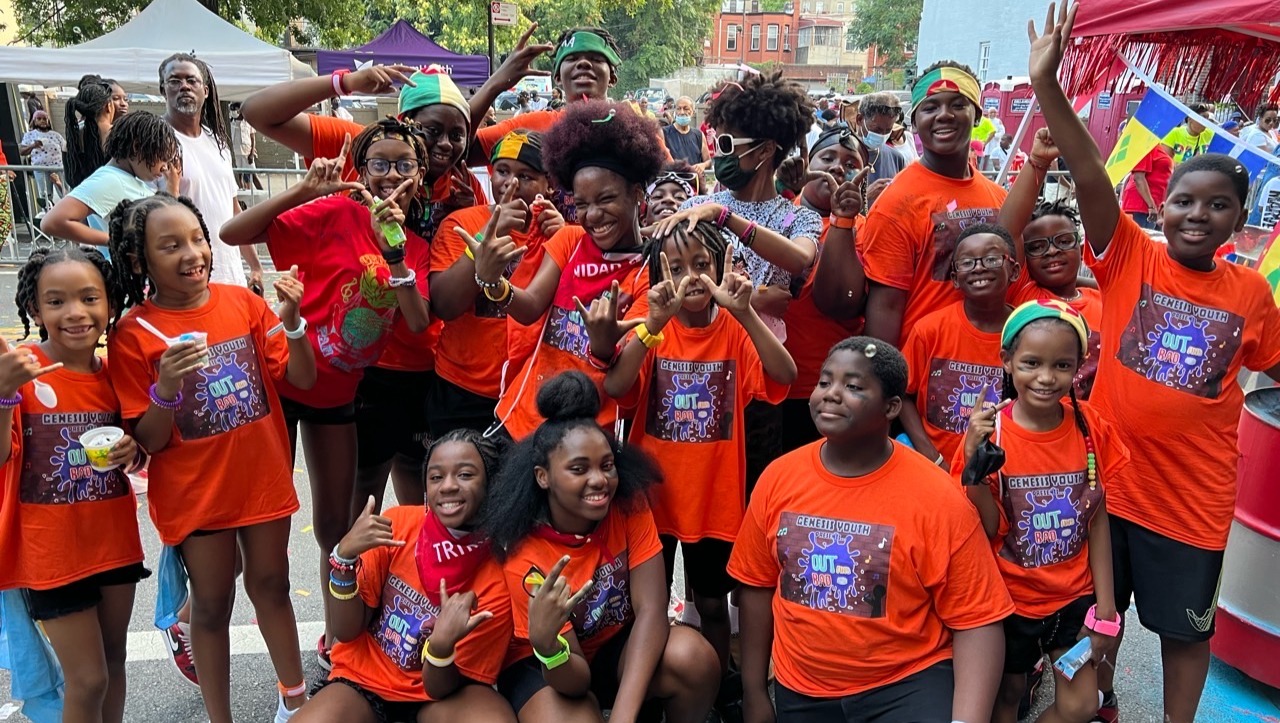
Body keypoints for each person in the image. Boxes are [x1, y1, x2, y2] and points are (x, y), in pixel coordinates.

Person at [1029, 7, 1280, 721]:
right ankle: (1099, 700)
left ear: (1240, 219)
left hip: (1193, 503)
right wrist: (1048, 86)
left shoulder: (1250, 293)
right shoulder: (1130, 257)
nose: (1198, 214)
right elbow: (1088, 172)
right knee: (1098, 618)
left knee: (1185, 633)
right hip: (1109, 489)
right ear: (1160, 207)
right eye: (1183, 201)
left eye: (1218, 205)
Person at [220, 119, 431, 671]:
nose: (390, 175)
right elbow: (233, 232)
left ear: (420, 174)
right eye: (379, 163)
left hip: (337, 395)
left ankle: (336, 638)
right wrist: (302, 190)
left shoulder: (413, 246)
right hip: (279, 382)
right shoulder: (333, 213)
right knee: (263, 531)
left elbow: (416, 321)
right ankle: (203, 611)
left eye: (403, 164)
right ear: (362, 170)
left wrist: (394, 253)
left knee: (336, 527)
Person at [106, 193, 316, 723]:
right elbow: (148, 443)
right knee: (212, 602)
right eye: (170, 246)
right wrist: (166, 387)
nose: (192, 253)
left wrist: (292, 321)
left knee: (271, 585)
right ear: (138, 260)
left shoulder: (242, 303)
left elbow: (302, 377)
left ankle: (294, 700)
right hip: (196, 493)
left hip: (261, 482)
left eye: (197, 239)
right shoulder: (132, 334)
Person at [729, 337, 1013, 723]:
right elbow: (756, 585)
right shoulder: (778, 479)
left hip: (906, 683)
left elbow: (978, 618)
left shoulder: (937, 495)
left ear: (891, 407)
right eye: (824, 382)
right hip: (802, 688)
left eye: (853, 386)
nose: (831, 394)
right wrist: (754, 693)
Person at [585, 220, 795, 711]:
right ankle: (649, 691)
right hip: (651, 503)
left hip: (713, 501)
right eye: (676, 268)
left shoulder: (735, 330)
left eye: (702, 264)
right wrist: (652, 325)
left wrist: (744, 312)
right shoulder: (652, 329)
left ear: (720, 268)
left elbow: (784, 374)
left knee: (712, 605)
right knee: (647, 607)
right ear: (659, 276)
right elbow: (616, 387)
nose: (691, 278)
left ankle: (712, 692)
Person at [480, 371, 721, 723]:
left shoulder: (627, 507)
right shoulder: (523, 556)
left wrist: (623, 714)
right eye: (579, 469)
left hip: (613, 647)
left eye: (607, 466)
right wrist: (547, 646)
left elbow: (652, 609)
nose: (599, 480)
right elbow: (575, 680)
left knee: (693, 659)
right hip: (548, 663)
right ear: (543, 476)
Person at [653, 70, 823, 510]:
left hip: (757, 377)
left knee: (751, 493)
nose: (717, 153)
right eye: (716, 140)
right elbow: (667, 271)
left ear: (764, 151)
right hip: (699, 365)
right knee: (693, 488)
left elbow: (799, 258)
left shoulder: (797, 217)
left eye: (727, 144)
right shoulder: (697, 205)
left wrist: (726, 219)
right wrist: (756, 297)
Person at [956, 300, 1127, 723]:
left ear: (1078, 367)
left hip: (1073, 598)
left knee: (1082, 704)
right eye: (1032, 363)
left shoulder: (1090, 428)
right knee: (1009, 694)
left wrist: (1106, 609)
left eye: (1062, 365)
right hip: (1010, 600)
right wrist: (973, 463)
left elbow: (1097, 520)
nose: (1047, 378)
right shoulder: (992, 434)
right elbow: (988, 527)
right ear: (1007, 361)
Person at [2, 246, 146, 723]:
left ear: (110, 304)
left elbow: (140, 448)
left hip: (114, 543)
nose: (75, 313)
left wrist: (132, 450)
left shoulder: (115, 374)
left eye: (89, 298)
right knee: (88, 680)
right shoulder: (19, 368)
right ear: (34, 309)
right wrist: (3, 393)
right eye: (56, 301)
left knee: (114, 662)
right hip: (51, 553)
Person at [467, 100, 661, 440]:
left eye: (606, 199)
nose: (593, 216)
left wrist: (603, 348)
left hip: (584, 440)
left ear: (636, 193)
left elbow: (623, 384)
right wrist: (493, 282)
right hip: (521, 419)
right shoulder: (570, 240)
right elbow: (529, 307)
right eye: (582, 204)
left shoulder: (648, 272)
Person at [297, 430, 517, 723]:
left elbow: (441, 688)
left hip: (436, 698)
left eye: (465, 475)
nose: (448, 486)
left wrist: (441, 647)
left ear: (491, 483)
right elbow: (347, 630)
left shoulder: (498, 578)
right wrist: (344, 560)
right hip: (364, 680)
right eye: (436, 477)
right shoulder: (397, 525)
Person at [239, 63, 486, 243]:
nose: (445, 144)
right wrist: (345, 83)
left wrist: (466, 213)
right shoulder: (360, 145)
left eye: (457, 135)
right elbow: (255, 111)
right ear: (404, 123)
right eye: (432, 130)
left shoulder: (464, 186)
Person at [859, 60, 1009, 347]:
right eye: (930, 107)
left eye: (958, 105)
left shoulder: (999, 197)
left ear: (977, 116)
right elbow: (886, 306)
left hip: (994, 361)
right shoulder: (896, 203)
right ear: (914, 123)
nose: (944, 115)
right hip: (921, 364)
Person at [430, 130, 565, 436]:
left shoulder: (560, 233)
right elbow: (444, 306)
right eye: (502, 171)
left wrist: (565, 238)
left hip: (528, 392)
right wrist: (489, 235)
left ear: (550, 184)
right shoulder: (462, 223)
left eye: (526, 176)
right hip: (461, 388)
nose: (510, 183)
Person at [900, 223, 1020, 467]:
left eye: (991, 259)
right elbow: (901, 393)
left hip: (1005, 471)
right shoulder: (930, 330)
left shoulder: (1027, 333)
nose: (979, 268)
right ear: (955, 278)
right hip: (938, 470)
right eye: (967, 262)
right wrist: (934, 459)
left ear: (1014, 270)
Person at [997, 131, 1103, 399]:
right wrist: (1038, 161)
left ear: (1080, 248)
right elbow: (1007, 232)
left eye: (1064, 241)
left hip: (1094, 420)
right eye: (1037, 246)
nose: (1053, 250)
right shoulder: (1024, 293)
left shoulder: (1105, 298)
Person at [792, 127, 871, 450]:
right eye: (827, 158)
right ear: (808, 164)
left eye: (851, 164)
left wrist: (842, 221)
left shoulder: (866, 229)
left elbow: (842, 303)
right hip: (769, 385)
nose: (838, 168)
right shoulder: (778, 213)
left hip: (833, 391)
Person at [157, 53, 265, 290]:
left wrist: (255, 266)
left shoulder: (218, 142)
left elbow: (233, 210)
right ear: (163, 90)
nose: (184, 86)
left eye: (191, 80)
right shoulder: (155, 141)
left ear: (205, 91)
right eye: (174, 80)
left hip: (230, 277)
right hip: (187, 282)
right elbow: (153, 217)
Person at [41, 111, 176, 251]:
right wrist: (116, 241)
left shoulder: (127, 179)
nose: (165, 167)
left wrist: (173, 188)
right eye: (163, 158)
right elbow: (52, 222)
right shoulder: (109, 180)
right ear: (137, 148)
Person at [62, 76, 116, 189]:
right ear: (108, 106)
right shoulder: (120, 135)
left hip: (81, 197)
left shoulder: (70, 141)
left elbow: (71, 179)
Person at [855, 92, 909, 182]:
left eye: (888, 130)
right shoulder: (841, 155)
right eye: (877, 130)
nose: (882, 135)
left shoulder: (896, 158)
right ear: (860, 120)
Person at [1118, 143, 1173, 230]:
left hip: (1154, 207)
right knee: (1141, 237)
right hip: (1142, 206)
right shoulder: (1146, 147)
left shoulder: (1156, 147)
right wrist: (1151, 206)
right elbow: (1138, 178)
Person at [20, 110, 67, 210]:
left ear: (48, 121)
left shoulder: (56, 135)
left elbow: (66, 149)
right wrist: (33, 145)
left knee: (64, 192)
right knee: (45, 195)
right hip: (40, 169)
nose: (42, 121)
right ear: (34, 121)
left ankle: (67, 213)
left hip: (58, 168)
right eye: (39, 119)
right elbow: (22, 151)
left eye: (45, 119)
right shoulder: (29, 135)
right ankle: (49, 214)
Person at [661, 96, 709, 170]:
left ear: (693, 112)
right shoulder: (664, 133)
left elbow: (708, 161)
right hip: (673, 177)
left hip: (695, 176)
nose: (682, 112)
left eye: (686, 109)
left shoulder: (699, 135)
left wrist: (703, 165)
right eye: (679, 109)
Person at [230, 103, 262, 191]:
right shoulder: (231, 123)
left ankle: (263, 194)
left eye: (235, 110)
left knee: (253, 175)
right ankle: (242, 194)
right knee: (238, 176)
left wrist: (251, 154)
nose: (234, 112)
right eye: (232, 110)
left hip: (247, 153)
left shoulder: (248, 122)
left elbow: (253, 139)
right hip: (236, 153)